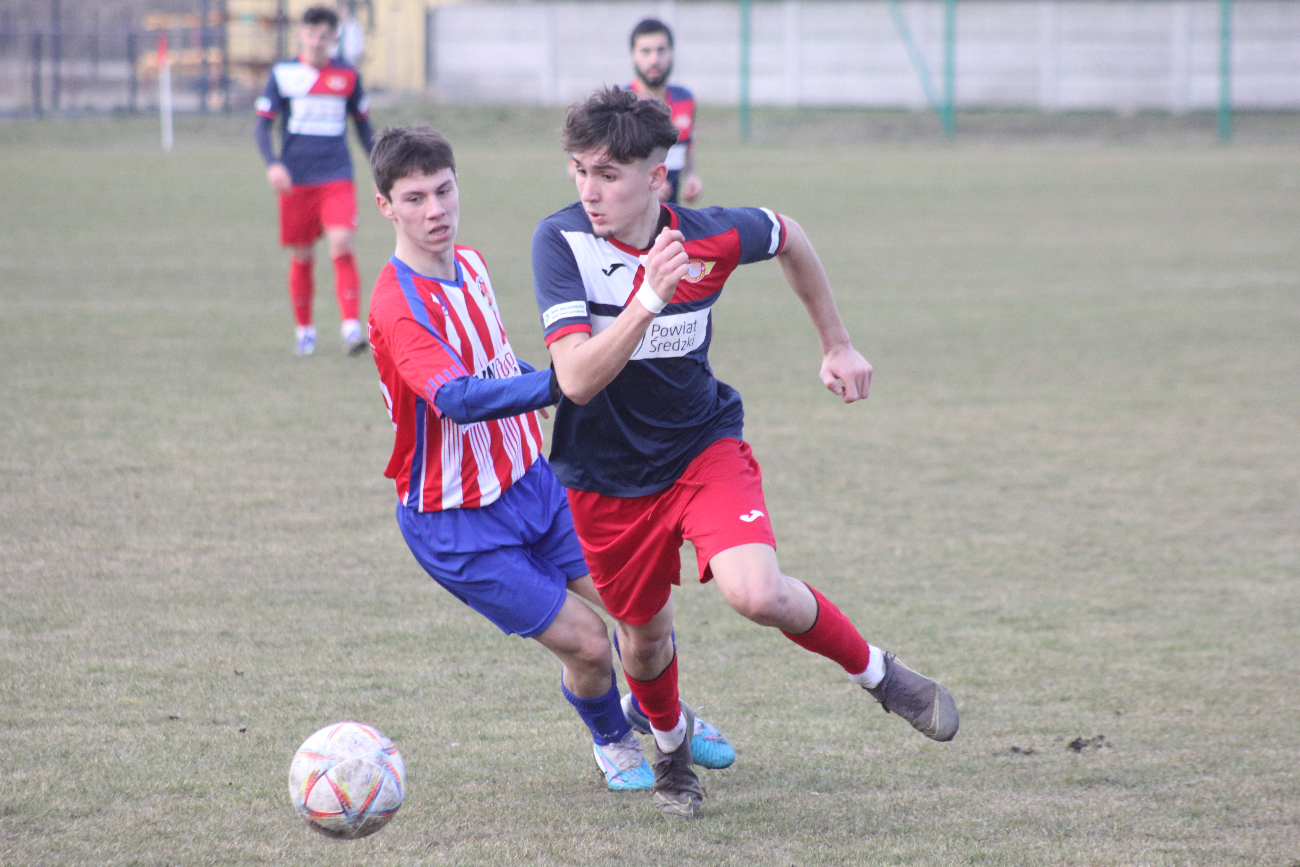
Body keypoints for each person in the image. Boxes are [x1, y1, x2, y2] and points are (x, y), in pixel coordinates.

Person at [531, 88, 959, 819]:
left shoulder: (711, 235)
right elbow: (573, 378)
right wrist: (649, 298)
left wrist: (836, 341)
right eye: (579, 171)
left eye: (607, 174)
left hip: (702, 448)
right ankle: (670, 752)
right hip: (603, 479)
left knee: (757, 592)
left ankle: (882, 675)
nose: (589, 191)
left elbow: (788, 233)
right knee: (643, 640)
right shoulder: (561, 242)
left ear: (656, 177)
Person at [364, 125, 734, 793]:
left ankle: (663, 712)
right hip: (458, 523)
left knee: (642, 611)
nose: (436, 210)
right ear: (385, 207)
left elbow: (500, 365)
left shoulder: (470, 265)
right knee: (591, 644)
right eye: (414, 198)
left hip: (535, 483)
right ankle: (613, 736)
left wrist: (566, 376)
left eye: (444, 190)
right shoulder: (397, 304)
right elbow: (460, 398)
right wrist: (567, 380)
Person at [256, 5, 375, 357]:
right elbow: (262, 126)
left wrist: (381, 170)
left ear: (334, 38)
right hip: (296, 180)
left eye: (325, 36)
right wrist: (273, 164)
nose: (317, 42)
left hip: (337, 175)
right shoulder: (283, 74)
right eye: (311, 34)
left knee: (342, 243)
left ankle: (352, 329)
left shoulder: (348, 76)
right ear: (300, 35)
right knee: (303, 256)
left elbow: (364, 128)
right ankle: (305, 331)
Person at [627, 18, 700, 205]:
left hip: (671, 215)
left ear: (671, 53)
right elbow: (583, 168)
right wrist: (644, 185)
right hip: (630, 220)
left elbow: (685, 146)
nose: (654, 59)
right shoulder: (619, 103)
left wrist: (691, 176)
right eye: (646, 51)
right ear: (633, 55)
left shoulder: (685, 99)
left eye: (661, 50)